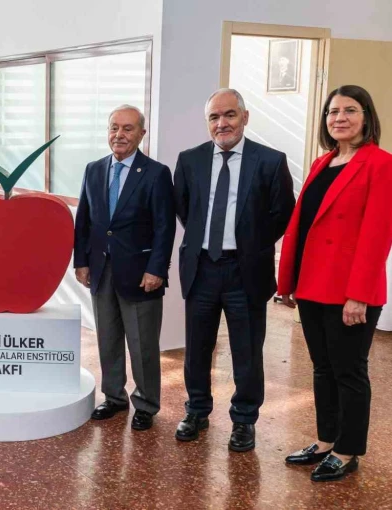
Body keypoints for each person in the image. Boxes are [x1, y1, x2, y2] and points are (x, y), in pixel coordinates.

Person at [278, 85, 392, 482]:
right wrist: (287, 280)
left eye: (350, 110)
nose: (339, 118)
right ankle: (326, 439)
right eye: (332, 111)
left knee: (349, 371)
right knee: (322, 369)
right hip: (312, 285)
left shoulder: (381, 164)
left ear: (366, 116)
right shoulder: (321, 163)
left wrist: (358, 295)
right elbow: (302, 226)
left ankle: (347, 451)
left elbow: (377, 235)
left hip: (349, 292)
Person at [173, 88, 295, 451]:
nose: (221, 123)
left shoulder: (271, 161)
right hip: (202, 268)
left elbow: (281, 215)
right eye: (214, 117)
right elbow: (185, 209)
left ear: (245, 117)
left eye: (229, 115)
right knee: (197, 348)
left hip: (246, 272)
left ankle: (244, 420)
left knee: (247, 350)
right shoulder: (190, 159)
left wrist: (251, 246)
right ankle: (196, 410)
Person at [74, 105, 175, 430]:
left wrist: (156, 268)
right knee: (108, 338)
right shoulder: (93, 169)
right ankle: (114, 397)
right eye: (114, 127)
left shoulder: (157, 173)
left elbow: (164, 227)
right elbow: (84, 221)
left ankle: (145, 403)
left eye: (128, 129)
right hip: (101, 271)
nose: (119, 135)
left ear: (141, 134)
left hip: (141, 274)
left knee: (142, 344)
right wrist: (82, 261)